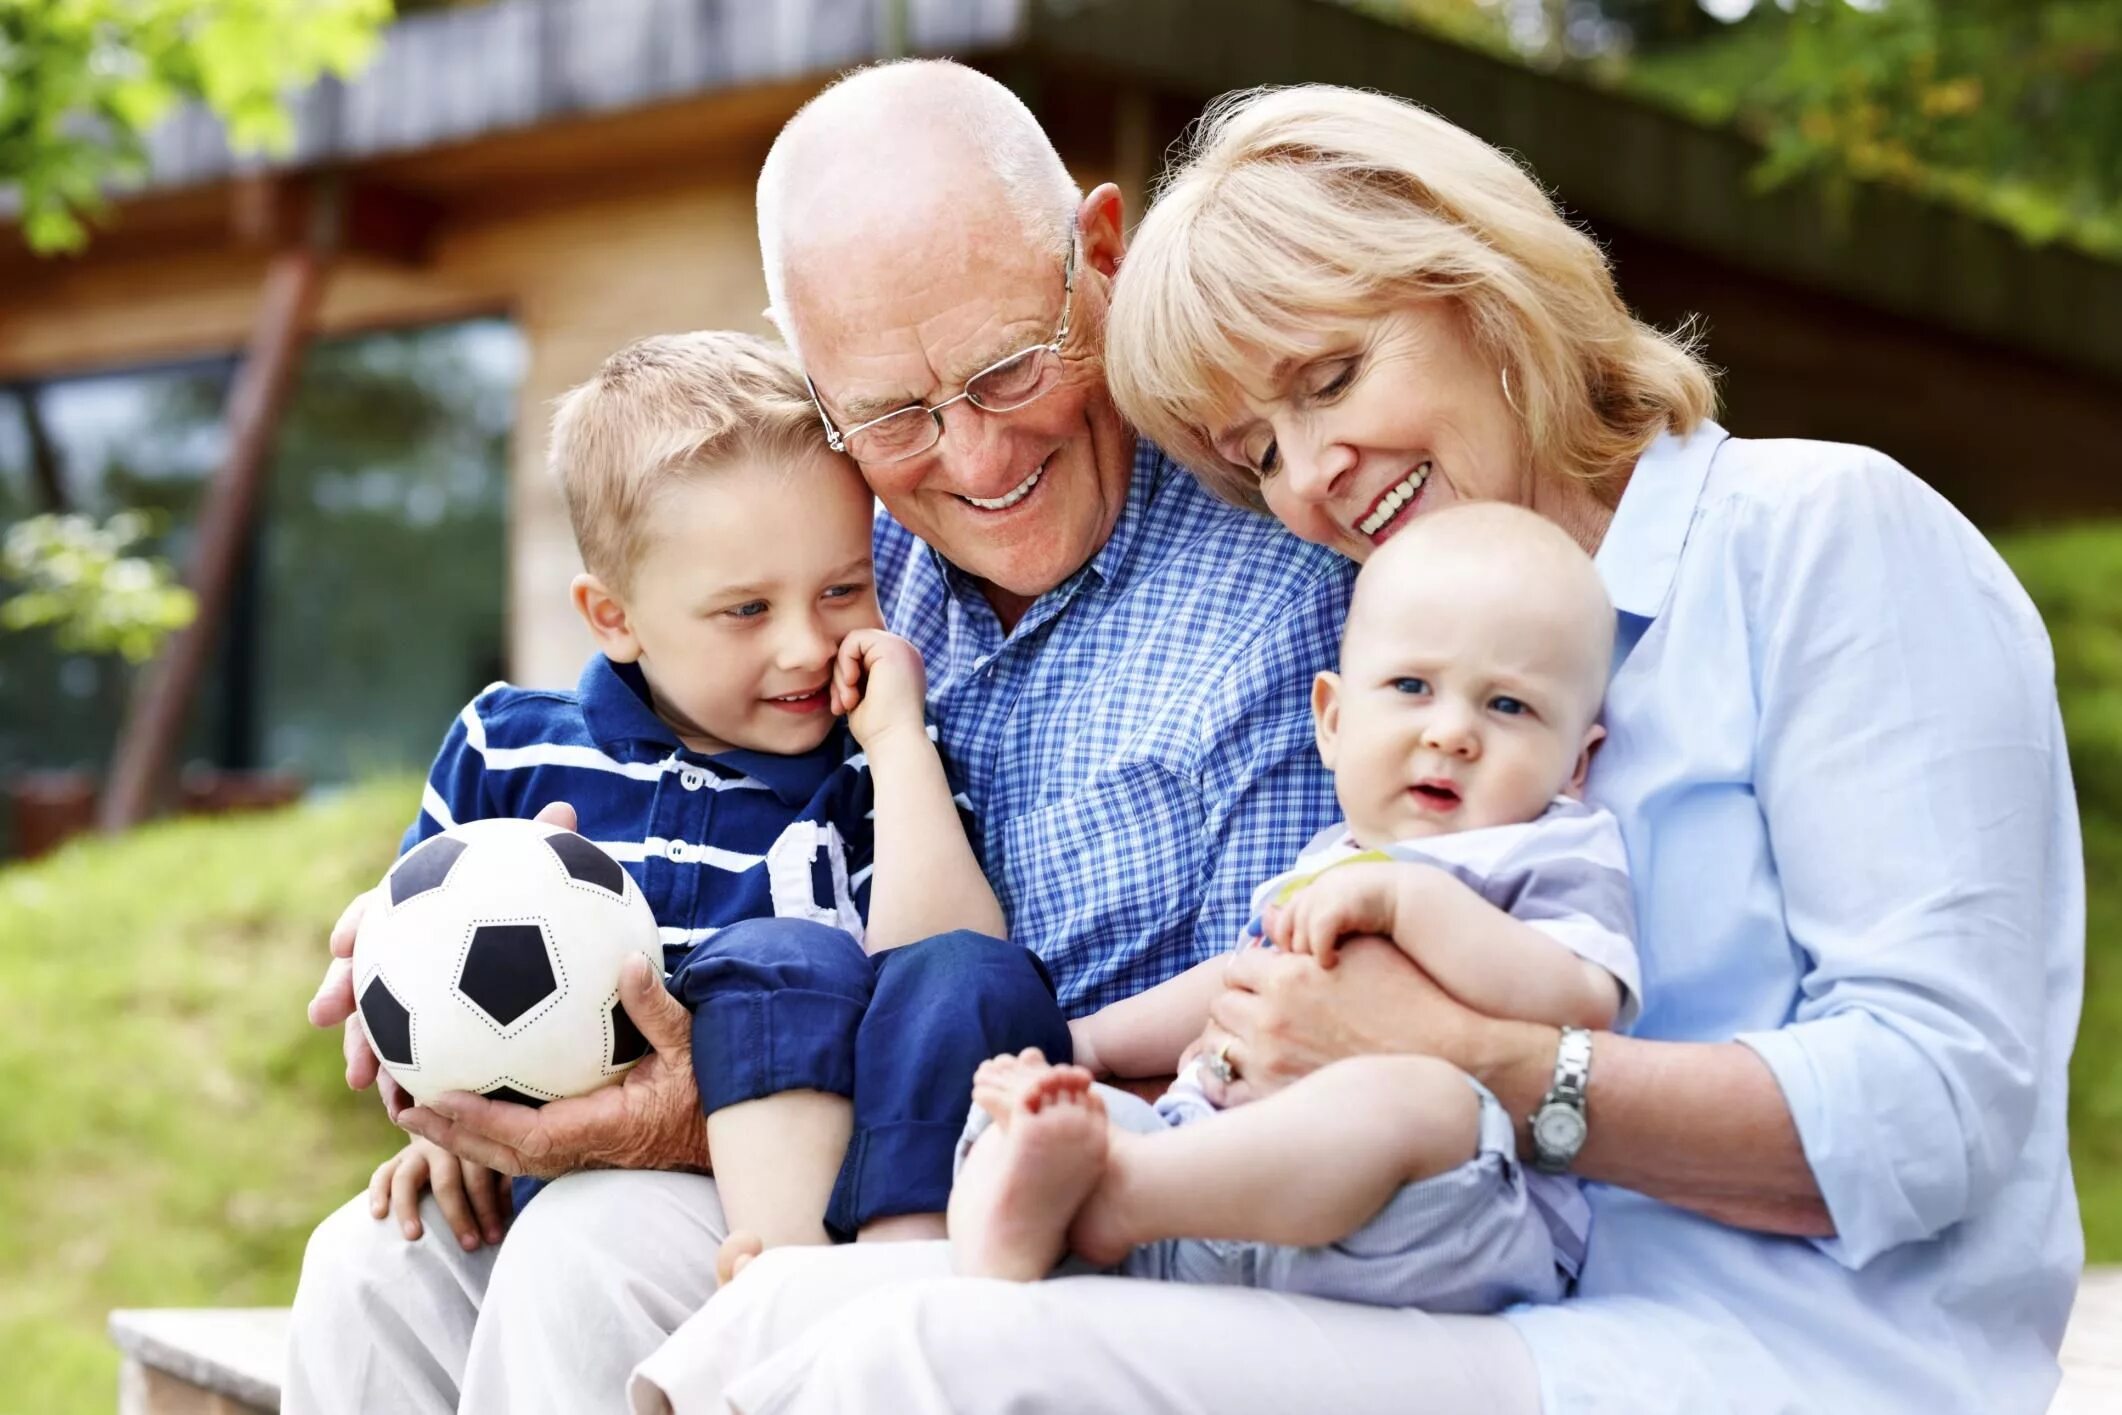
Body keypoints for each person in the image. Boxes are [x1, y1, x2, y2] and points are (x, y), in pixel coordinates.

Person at [647, 84, 2083, 1415]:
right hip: (1482, 1295)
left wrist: (1479, 1056)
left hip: (1768, 1358)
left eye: (1328, 378)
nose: (1310, 475)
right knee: (771, 1315)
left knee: (925, 1350)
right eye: (1254, 449)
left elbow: (1932, 1109)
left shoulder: (1817, 537)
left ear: (1476, 282)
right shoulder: (1403, 646)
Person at [293, 61, 1353, 1415]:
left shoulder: (1278, 597)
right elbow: (630, 776)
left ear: (1100, 256)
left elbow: (1254, 1061)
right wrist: (449, 948)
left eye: (1007, 368)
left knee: (588, 1250)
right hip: (775, 1150)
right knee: (375, 1259)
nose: (970, 460)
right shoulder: (824, 554)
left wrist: (733, 1114)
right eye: (895, 413)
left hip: (1056, 1213)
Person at [284, 330, 1070, 1411]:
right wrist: (446, 1120)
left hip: (773, 1196)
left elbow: (943, 963)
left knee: (585, 1241)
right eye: (746, 609)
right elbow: (414, 974)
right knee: (367, 1256)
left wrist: (898, 748)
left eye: (843, 589)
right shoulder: (511, 748)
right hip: (531, 1178)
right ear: (614, 617)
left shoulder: (865, 776)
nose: (803, 644)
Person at [951, 502, 1640, 1315]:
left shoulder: (1549, 846)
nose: (1452, 732)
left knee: (1423, 1101)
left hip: (1433, 1223)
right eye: (1413, 686)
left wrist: (1410, 900)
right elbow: (1235, 977)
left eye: (1509, 706)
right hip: (1216, 1189)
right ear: (1334, 720)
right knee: (1046, 1112)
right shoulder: (1327, 856)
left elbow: (1583, 999)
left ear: (1575, 764)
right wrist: (1088, 1041)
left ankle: (1118, 1198)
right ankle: (1008, 1235)